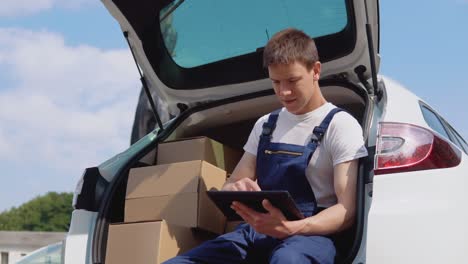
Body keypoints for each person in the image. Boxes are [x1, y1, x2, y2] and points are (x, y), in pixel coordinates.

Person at [163, 28, 368, 264]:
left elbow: (347, 211)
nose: (284, 92)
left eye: (292, 80)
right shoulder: (265, 125)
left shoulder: (340, 125)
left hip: (314, 235)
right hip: (258, 231)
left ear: (316, 70)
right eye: (276, 82)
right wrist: (236, 188)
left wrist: (291, 228)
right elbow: (230, 184)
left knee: (287, 260)